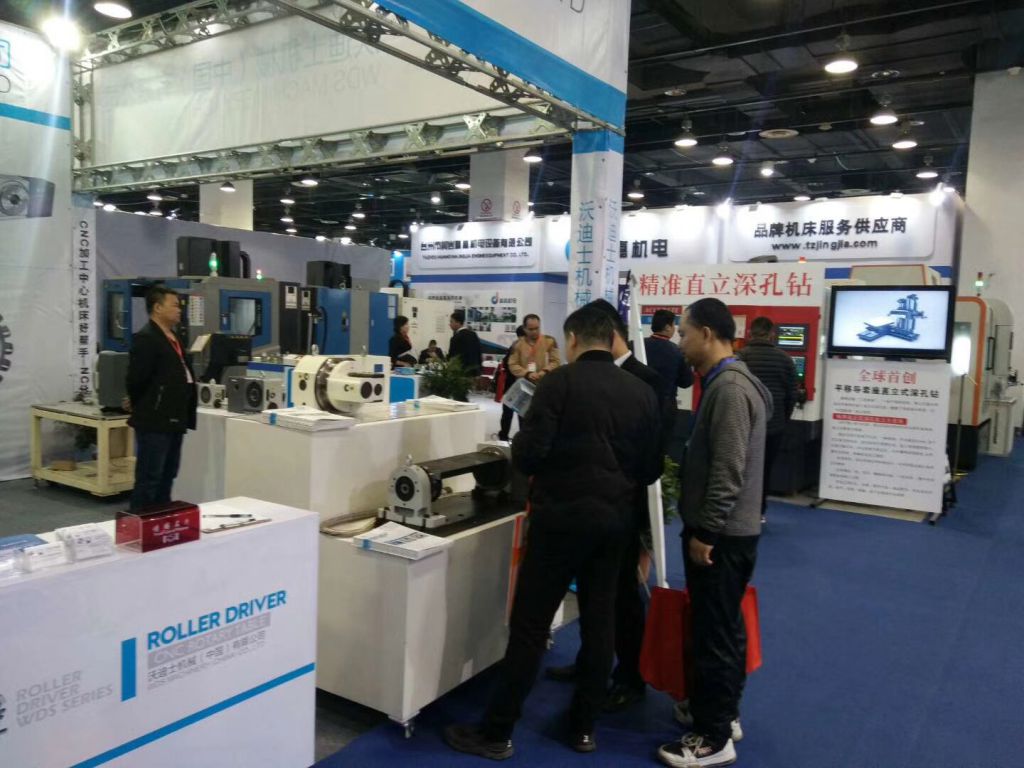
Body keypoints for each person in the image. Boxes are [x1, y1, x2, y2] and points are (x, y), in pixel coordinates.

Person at [444, 305, 663, 760]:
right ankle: (583, 728)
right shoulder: (641, 392)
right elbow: (650, 468)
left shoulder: (557, 384)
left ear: (574, 339)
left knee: (530, 626)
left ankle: (497, 732)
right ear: (612, 338)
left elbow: (528, 456)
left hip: (558, 522)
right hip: (613, 524)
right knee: (600, 623)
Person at [658, 298, 771, 768]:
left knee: (715, 634)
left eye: (684, 334)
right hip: (731, 531)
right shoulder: (731, 382)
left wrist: (706, 531)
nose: (680, 343)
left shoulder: (730, 388)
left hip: (721, 536)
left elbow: (728, 469)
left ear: (706, 333)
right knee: (721, 627)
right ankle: (722, 712)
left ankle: (713, 737)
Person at [545, 298, 666, 712]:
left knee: (624, 598)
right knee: (594, 596)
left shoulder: (646, 380)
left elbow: (653, 454)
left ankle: (630, 676)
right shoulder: (579, 380)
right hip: (586, 507)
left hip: (624, 508)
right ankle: (588, 664)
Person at [125, 286, 198, 510]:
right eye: (174, 305)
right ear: (157, 308)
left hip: (175, 417)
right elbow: (136, 380)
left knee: (168, 474)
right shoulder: (147, 338)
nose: (179, 309)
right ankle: (140, 521)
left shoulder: (174, 337)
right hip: (155, 419)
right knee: (150, 476)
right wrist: (145, 404)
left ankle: (161, 519)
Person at [737, 317, 799, 524]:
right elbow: (792, 395)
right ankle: (758, 512)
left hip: (744, 423)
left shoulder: (740, 357)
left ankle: (736, 510)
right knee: (764, 469)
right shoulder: (785, 360)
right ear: (772, 334)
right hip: (773, 426)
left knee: (739, 467)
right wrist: (783, 419)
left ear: (750, 333)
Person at [644, 309, 695, 460]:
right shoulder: (676, 352)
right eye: (673, 325)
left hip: (640, 403)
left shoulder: (637, 345)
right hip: (665, 407)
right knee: (662, 448)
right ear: (667, 327)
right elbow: (686, 382)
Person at [507, 314, 561, 387]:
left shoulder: (549, 341)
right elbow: (513, 365)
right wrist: (527, 373)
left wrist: (545, 371)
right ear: (524, 328)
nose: (534, 331)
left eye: (537, 328)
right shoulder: (517, 344)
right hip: (524, 384)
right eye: (531, 329)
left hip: (544, 383)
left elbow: (556, 361)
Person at [497, 326, 527, 442]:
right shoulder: (519, 347)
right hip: (520, 385)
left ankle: (503, 436)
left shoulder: (514, 346)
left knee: (508, 413)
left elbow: (505, 364)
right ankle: (521, 438)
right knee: (521, 413)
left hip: (512, 385)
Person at [447, 308, 483, 381]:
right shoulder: (473, 334)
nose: (449, 324)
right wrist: (478, 372)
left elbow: (452, 358)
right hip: (474, 373)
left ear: (458, 322)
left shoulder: (456, 338)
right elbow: (479, 353)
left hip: (460, 374)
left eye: (451, 321)